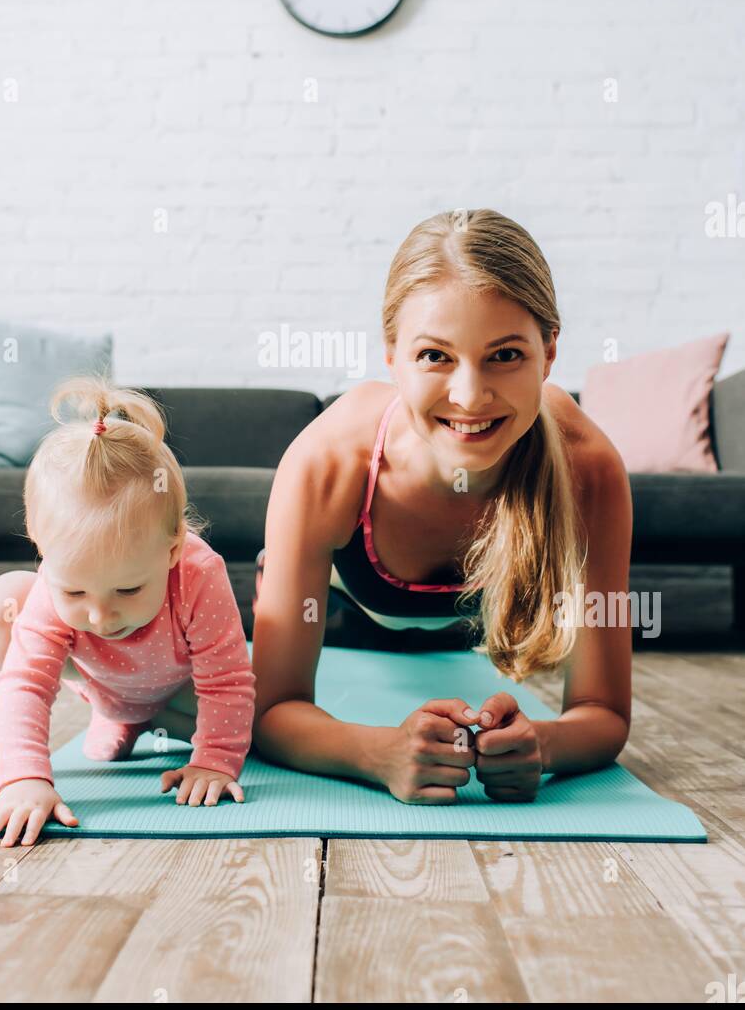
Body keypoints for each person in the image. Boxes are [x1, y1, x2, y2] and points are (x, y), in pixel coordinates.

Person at [251, 208, 632, 806]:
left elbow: (604, 711)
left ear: (550, 352)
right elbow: (272, 708)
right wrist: (376, 754)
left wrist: (543, 745)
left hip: (473, 643)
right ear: (392, 354)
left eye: (505, 355)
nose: (469, 396)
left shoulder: (591, 471)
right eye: (435, 356)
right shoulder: (327, 462)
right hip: (350, 621)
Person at [0, 378, 255, 845]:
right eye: (75, 592)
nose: (101, 616)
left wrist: (213, 760)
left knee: (261, 732)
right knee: (6, 596)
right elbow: (27, 684)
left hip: (180, 696)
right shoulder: (51, 586)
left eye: (128, 588)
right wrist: (23, 779)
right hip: (101, 683)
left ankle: (140, 722)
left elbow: (226, 682)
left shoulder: (200, 573)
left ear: (173, 549)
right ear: (42, 552)